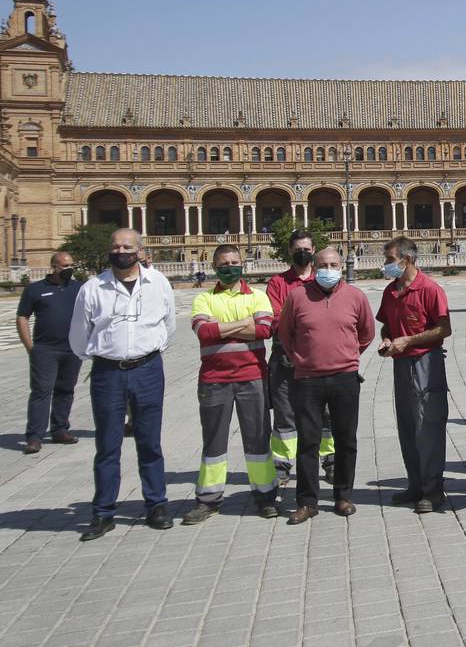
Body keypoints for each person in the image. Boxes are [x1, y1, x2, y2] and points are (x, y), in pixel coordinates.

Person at [69, 228, 178, 541]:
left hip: (147, 368)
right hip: (107, 373)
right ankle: (103, 512)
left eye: (127, 246)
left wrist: (145, 351)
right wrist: (109, 355)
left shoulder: (158, 283)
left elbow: (168, 326)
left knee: (150, 441)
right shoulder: (93, 288)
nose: (121, 251)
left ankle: (156, 505)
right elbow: (79, 337)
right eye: (116, 246)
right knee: (107, 444)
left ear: (140, 250)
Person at [278, 247, 376, 524]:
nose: (328, 269)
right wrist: (299, 357)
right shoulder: (298, 296)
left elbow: (367, 332)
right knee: (307, 441)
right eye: (323, 264)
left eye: (333, 264)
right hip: (307, 378)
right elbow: (285, 333)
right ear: (314, 265)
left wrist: (347, 354)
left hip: (345, 376)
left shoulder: (355, 296)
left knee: (346, 439)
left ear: (342, 265)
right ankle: (307, 501)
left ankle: (343, 496)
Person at [182, 245, 279, 524]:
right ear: (214, 266)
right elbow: (204, 332)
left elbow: (263, 329)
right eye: (224, 263)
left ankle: (265, 496)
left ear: (243, 265)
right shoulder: (203, 298)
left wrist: (221, 327)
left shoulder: (258, 296)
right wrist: (243, 323)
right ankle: (208, 499)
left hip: (252, 377)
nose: (230, 267)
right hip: (214, 380)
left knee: (258, 438)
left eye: (235, 262)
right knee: (213, 441)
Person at [376, 237, 452, 514]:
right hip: (401, 364)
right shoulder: (390, 291)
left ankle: (433, 491)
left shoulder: (430, 289)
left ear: (406, 260)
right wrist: (387, 340)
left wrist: (408, 340)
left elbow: (444, 328)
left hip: (426, 362)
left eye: (389, 259)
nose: (386, 265)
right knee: (407, 425)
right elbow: (386, 326)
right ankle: (416, 484)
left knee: (427, 425)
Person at [265, 231, 336, 487]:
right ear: (290, 251)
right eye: (298, 248)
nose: (303, 252)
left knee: (326, 413)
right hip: (285, 358)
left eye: (307, 248)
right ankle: (282, 465)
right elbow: (276, 319)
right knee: (285, 413)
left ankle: (330, 462)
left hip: (320, 359)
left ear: (314, 249)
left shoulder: (326, 277)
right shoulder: (278, 283)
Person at [17, 252, 82, 455]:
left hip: (72, 349)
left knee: (66, 390)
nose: (69, 269)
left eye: (72, 265)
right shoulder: (35, 289)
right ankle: (35, 436)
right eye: (65, 266)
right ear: (53, 267)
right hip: (45, 349)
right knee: (41, 391)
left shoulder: (79, 288)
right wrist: (31, 347)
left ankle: (60, 429)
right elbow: (22, 317)